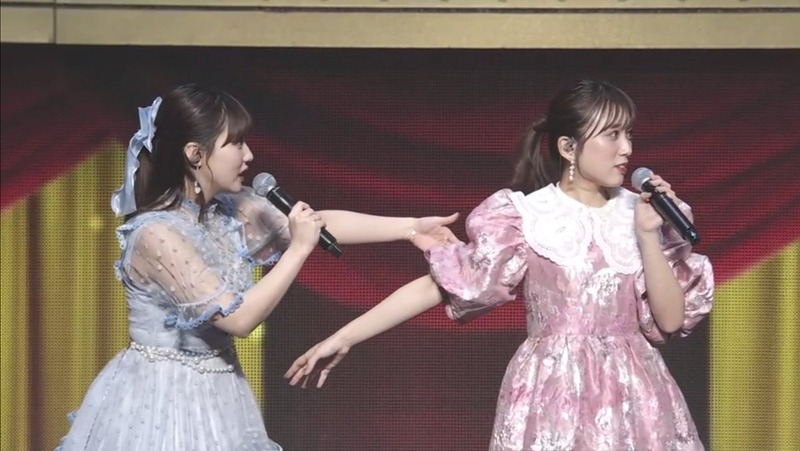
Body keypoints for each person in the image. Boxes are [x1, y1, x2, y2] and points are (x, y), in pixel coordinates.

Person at [285, 79, 714, 451]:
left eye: (629, 134)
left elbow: (670, 321)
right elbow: (440, 286)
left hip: (637, 393)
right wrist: (345, 336)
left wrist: (647, 234)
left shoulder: (643, 213)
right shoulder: (526, 216)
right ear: (568, 147)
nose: (627, 149)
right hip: (553, 393)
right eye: (613, 135)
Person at [56, 83, 458, 451]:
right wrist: (298, 250)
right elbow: (239, 318)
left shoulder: (231, 210)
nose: (248, 155)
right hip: (162, 399)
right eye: (236, 143)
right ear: (195, 154)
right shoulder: (155, 234)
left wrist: (410, 228)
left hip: (221, 392)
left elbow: (314, 223)